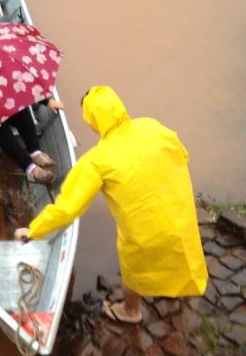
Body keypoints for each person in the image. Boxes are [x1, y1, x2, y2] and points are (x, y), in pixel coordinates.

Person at [14, 86, 208, 323]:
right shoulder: (152, 127)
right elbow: (182, 155)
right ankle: (176, 290)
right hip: (178, 215)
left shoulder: (97, 161)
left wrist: (33, 230)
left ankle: (131, 311)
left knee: (133, 269)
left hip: (143, 233)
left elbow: (67, 209)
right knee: (178, 251)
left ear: (93, 121)